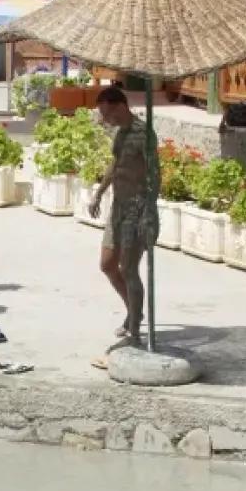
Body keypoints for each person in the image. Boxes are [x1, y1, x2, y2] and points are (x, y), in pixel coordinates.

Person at [88, 86, 159, 345]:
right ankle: (134, 311)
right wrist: (99, 193)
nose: (105, 119)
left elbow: (155, 174)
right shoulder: (120, 134)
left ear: (120, 106)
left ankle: (135, 331)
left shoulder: (143, 134)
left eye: (107, 114)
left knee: (129, 268)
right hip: (118, 207)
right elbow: (116, 164)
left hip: (137, 209)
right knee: (107, 264)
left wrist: (149, 211)